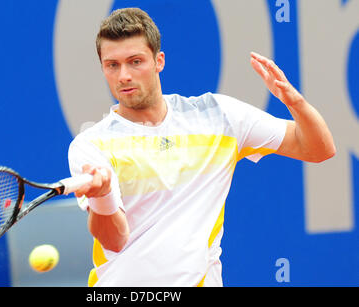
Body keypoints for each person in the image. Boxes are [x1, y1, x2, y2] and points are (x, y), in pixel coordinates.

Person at [67, 7, 335, 287]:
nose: (124, 75)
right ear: (103, 68)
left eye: (135, 61)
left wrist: (295, 103)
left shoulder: (219, 117)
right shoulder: (91, 146)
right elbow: (114, 239)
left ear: (159, 61)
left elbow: (318, 149)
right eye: (113, 65)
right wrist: (103, 197)